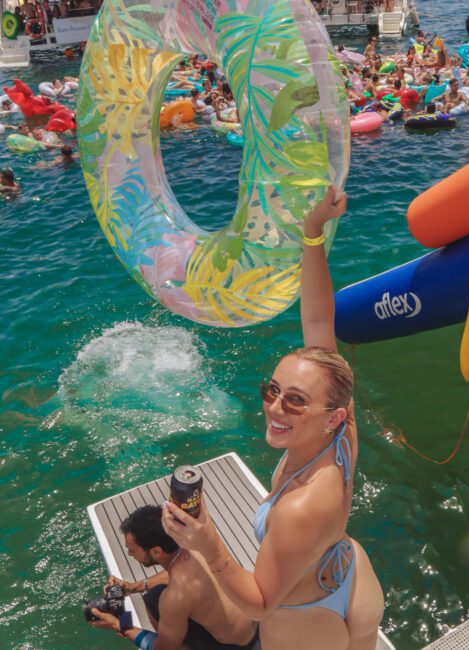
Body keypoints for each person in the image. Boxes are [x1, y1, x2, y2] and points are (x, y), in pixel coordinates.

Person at [162, 187, 385, 650]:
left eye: (296, 401)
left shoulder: (301, 507)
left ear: (331, 415)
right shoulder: (341, 434)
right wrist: (311, 232)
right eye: (273, 390)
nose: (276, 407)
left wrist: (207, 543)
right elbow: (321, 323)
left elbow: (261, 605)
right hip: (353, 578)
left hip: (307, 620)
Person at [88, 505, 257, 649]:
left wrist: (119, 621)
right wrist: (133, 588)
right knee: (157, 594)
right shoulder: (194, 547)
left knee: (153, 600)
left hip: (235, 647)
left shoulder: (175, 598)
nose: (129, 554)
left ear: (156, 551)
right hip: (254, 624)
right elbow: (175, 574)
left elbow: (162, 647)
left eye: (132, 549)